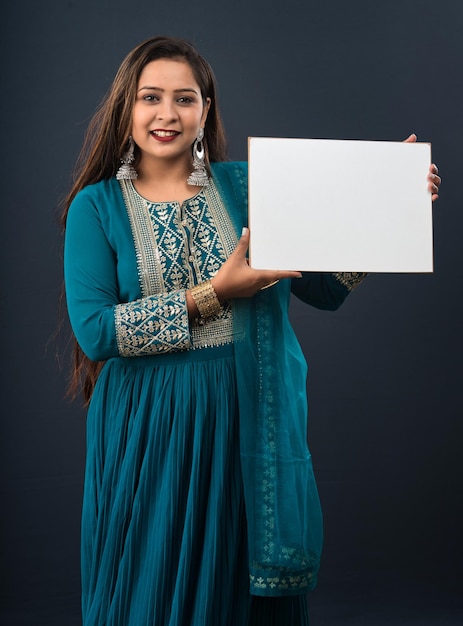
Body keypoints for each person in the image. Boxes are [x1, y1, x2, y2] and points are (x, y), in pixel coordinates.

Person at [62, 35, 441, 626]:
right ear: (126, 109)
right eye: (150, 98)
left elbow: (323, 288)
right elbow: (95, 332)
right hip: (150, 428)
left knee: (240, 594)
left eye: (184, 99)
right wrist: (215, 294)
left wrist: (392, 204)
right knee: (152, 586)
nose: (167, 114)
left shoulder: (247, 188)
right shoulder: (97, 207)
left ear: (206, 109)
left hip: (247, 422)